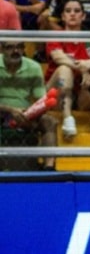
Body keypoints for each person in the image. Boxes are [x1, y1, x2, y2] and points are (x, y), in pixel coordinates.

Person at [46, 0, 90, 138]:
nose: (72, 14)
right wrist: (82, 68)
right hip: (56, 95)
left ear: (83, 16)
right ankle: (67, 119)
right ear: (63, 16)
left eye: (77, 11)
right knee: (65, 68)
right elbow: (58, 57)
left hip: (83, 93)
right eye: (68, 11)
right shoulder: (55, 35)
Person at [0, 41, 57, 170]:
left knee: (49, 121)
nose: (15, 51)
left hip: (25, 114)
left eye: (19, 47)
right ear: (1, 49)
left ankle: (49, 168)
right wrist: (10, 110)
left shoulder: (34, 67)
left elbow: (40, 99)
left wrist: (30, 113)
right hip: (2, 112)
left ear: (24, 48)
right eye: (10, 47)